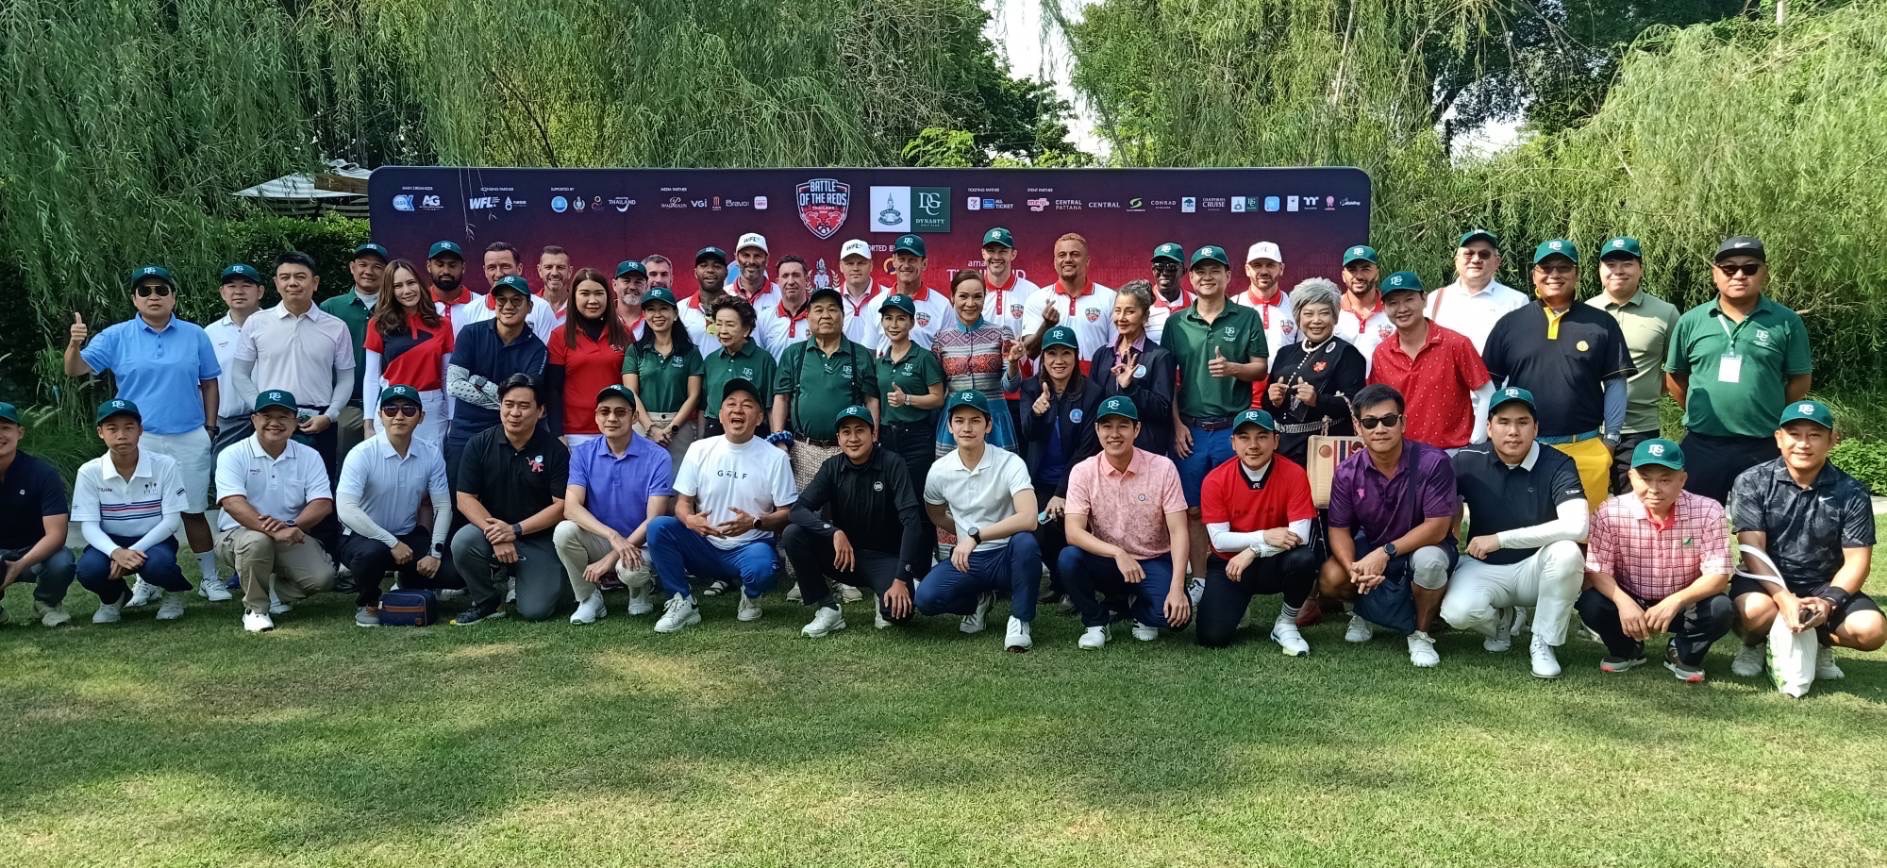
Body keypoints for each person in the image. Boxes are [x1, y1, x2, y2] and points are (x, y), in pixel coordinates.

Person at [63, 263, 225, 603]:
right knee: (147, 514)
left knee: (194, 510)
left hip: (189, 434)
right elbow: (75, 369)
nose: (154, 296)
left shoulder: (195, 334)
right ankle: (147, 581)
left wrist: (210, 428)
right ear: (134, 298)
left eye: (161, 290)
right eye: (145, 291)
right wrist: (75, 344)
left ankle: (210, 579)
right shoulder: (116, 335)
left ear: (173, 297)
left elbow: (209, 382)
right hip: (140, 439)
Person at [1725, 401, 1881, 686]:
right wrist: (1783, 598)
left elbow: (1858, 560)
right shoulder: (1752, 481)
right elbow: (1751, 548)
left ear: (1832, 440)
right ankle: (1755, 643)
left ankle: (1818, 641)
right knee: (1756, 611)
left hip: (1823, 584)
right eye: (1794, 434)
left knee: (1871, 631)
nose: (1803, 444)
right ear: (1778, 438)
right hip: (1765, 580)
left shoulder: (1852, 491)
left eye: (1815, 435)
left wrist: (1828, 602)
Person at [1438, 388, 1589, 679]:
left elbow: (1578, 526)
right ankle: (1499, 622)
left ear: (1536, 428)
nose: (1513, 431)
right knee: (1456, 613)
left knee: (1568, 552)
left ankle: (1542, 642)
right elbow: (1437, 505)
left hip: (1537, 568)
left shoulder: (1558, 463)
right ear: (1489, 427)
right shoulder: (1467, 460)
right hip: (1484, 567)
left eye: (1522, 422)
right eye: (1504, 422)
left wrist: (1501, 539)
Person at [1480, 240, 1634, 511]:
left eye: (1563, 268)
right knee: (1523, 528)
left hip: (1584, 448)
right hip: (1523, 449)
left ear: (1576, 274)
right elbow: (1488, 385)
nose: (1554, 275)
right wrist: (1491, 436)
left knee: (1585, 529)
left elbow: (1615, 384)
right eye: (1546, 268)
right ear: (1534, 275)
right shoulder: (1510, 324)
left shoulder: (1601, 324)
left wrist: (1610, 440)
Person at [1318, 384, 1459, 668]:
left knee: (1430, 563)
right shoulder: (1347, 471)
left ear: (1402, 422)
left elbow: (1437, 527)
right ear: (1357, 427)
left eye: (1389, 420)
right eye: (1370, 422)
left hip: (1425, 546)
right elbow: (1338, 529)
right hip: (1373, 546)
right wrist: (1354, 569)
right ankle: (1365, 612)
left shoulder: (1434, 462)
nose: (1380, 429)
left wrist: (1385, 553)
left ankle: (1420, 633)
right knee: (1332, 577)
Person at [1665, 235, 1813, 503]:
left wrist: (1771, 409)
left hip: (1763, 444)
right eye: (1729, 268)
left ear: (1764, 273)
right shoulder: (1691, 321)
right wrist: (1698, 410)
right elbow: (1675, 378)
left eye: (1750, 268)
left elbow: (1800, 379)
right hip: (1703, 444)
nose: (1739, 275)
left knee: (1767, 521)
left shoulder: (1786, 321)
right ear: (1715, 274)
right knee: (1695, 521)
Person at [645, 378, 798, 633]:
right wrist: (690, 520)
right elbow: (682, 503)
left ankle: (751, 594)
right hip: (704, 544)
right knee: (659, 527)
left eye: (747, 405)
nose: (738, 410)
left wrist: (755, 522)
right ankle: (682, 601)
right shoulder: (699, 449)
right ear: (721, 413)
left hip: (749, 547)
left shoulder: (775, 457)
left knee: (761, 569)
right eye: (731, 404)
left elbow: (788, 512)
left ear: (760, 417)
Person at [1577, 438, 1734, 682]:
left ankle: (1681, 650)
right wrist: (1623, 602)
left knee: (1720, 608)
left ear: (1682, 479)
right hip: (1631, 598)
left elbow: (1718, 575)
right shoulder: (1610, 511)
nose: (1654, 488)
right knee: (1591, 603)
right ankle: (1626, 648)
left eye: (1665, 479)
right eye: (1645, 478)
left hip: (1683, 602)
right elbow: (1598, 570)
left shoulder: (1708, 511)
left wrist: (1676, 600)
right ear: (1631, 477)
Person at [1162, 244, 1270, 593]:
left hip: (1232, 430)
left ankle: (1235, 580)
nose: (1207, 277)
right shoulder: (1177, 322)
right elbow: (1168, 380)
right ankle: (1199, 579)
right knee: (1193, 509)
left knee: (1235, 508)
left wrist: (1234, 368)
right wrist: (1176, 425)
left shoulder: (1246, 317)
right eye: (1200, 271)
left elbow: (1260, 368)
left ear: (1228, 275)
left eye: (1215, 270)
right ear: (1190, 278)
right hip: (1191, 430)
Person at [785, 404, 929, 637]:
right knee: (793, 534)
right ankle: (828, 609)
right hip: (845, 556)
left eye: (860, 430)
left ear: (873, 433)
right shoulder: (832, 467)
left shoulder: (893, 463)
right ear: (838, 438)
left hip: (884, 558)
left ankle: (887, 592)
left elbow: (912, 523)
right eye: (846, 432)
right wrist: (832, 532)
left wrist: (901, 578)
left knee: (898, 614)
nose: (853, 438)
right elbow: (797, 510)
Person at [1059, 396, 1191, 648]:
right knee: (1069, 558)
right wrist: (1117, 553)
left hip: (1152, 559)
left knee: (1174, 619)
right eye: (1107, 426)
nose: (1114, 434)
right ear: (1097, 429)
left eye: (1123, 426)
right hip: (1108, 560)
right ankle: (1096, 622)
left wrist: (1177, 587)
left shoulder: (1163, 468)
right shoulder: (1083, 471)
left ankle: (1139, 610)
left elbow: (1179, 531)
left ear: (1136, 429)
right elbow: (1073, 532)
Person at [916, 390, 1041, 652]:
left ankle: (1020, 620)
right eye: (959, 421)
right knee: (926, 599)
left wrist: (975, 536)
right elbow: (935, 513)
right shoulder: (939, 470)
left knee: (1026, 543)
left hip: (1007, 555)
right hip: (969, 560)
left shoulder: (1010, 462)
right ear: (950, 426)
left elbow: (1029, 518)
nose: (967, 428)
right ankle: (977, 603)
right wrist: (963, 535)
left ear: (988, 425)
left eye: (975, 420)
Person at [450, 375, 571, 625]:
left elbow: (561, 506)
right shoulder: (478, 444)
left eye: (524, 406)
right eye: (508, 404)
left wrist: (514, 530)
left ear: (540, 411)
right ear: (500, 406)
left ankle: (544, 579)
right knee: (463, 541)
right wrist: (497, 534)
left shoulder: (555, 451)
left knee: (536, 610)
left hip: (538, 537)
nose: (514, 413)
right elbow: (465, 498)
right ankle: (488, 601)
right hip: (491, 532)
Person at [1195, 408, 1320, 652]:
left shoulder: (1294, 473)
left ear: (1276, 441)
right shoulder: (1215, 479)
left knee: (1304, 559)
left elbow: (1301, 536)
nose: (1253, 445)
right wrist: (1265, 536)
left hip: (1274, 562)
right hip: (1231, 565)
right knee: (1211, 637)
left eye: (1262, 437)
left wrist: (1254, 550)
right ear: (1233, 443)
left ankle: (1286, 623)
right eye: (1244, 437)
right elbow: (1219, 541)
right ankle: (1238, 605)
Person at [214, 389, 336, 633]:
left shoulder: (309, 456)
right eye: (267, 416)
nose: (275, 423)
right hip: (238, 533)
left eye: (283, 417)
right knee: (257, 542)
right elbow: (232, 503)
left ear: (295, 421)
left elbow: (322, 503)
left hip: (289, 532)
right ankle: (255, 610)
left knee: (323, 578)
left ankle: (274, 593)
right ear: (254, 419)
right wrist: (272, 530)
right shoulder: (232, 454)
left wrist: (292, 526)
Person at [335, 385, 453, 627]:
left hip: (407, 536)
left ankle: (409, 583)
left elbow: (443, 506)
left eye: (408, 410)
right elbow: (345, 508)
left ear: (421, 417)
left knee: (453, 573)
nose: (399, 416)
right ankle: (368, 602)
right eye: (390, 409)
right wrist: (392, 542)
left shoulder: (431, 454)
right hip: (362, 537)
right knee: (372, 555)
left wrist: (434, 553)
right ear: (380, 415)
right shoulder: (361, 453)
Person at [231, 251, 354, 481]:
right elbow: (239, 373)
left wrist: (330, 415)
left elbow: (346, 378)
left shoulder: (336, 327)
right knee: (265, 486)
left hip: (318, 423)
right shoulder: (256, 323)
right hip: (270, 421)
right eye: (285, 277)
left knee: (318, 490)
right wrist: (260, 411)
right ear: (276, 283)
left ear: (314, 282)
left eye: (300, 276)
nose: (292, 283)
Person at [558, 385, 674, 625]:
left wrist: (612, 557)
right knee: (564, 531)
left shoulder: (658, 456)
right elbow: (571, 508)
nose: (611, 418)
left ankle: (639, 589)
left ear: (634, 417)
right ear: (596, 416)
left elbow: (654, 519)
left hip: (641, 544)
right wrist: (613, 537)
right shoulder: (582, 454)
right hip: (604, 538)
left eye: (620, 412)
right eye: (605, 411)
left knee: (631, 571)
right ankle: (589, 598)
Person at [70, 400, 192, 623]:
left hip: (155, 540)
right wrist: (115, 551)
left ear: (140, 430)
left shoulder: (164, 465)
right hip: (111, 539)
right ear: (100, 432)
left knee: (159, 565)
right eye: (112, 429)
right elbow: (89, 525)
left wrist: (132, 551)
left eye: (129, 427)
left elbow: (172, 521)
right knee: (88, 570)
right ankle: (114, 597)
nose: (121, 435)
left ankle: (174, 592)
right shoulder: (89, 471)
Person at [1587, 236, 1680, 494]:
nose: (1618, 271)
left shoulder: (1666, 313)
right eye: (1610, 264)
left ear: (1640, 269)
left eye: (1627, 264)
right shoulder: (1584, 312)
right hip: (1588, 429)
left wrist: (1648, 389)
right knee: (1588, 505)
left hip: (1640, 429)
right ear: (1600, 270)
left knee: (1636, 505)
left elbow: (1677, 371)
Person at [1367, 271, 1493, 452]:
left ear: (1424, 299)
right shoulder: (1382, 353)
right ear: (1384, 308)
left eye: (1409, 299)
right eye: (1393, 303)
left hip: (1451, 453)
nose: (1402, 309)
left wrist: (1477, 442)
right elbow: (1377, 405)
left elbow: (1487, 393)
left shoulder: (1456, 344)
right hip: (1401, 454)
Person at [1020, 325, 1101, 599]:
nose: (1058, 360)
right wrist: (1037, 414)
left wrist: (1062, 492)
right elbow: (1028, 434)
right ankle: (1059, 582)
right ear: (1042, 357)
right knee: (1038, 531)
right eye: (1051, 353)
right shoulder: (1031, 388)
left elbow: (1086, 449)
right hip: (1040, 480)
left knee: (1069, 528)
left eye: (1065, 353)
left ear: (1076, 356)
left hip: (1076, 481)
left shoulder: (1091, 392)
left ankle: (1075, 586)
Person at [771, 287, 880, 488]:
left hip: (848, 451)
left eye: (832, 309)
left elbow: (871, 400)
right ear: (808, 316)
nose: (826, 315)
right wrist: (779, 440)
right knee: (804, 506)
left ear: (842, 316)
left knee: (848, 505)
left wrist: (872, 440)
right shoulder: (794, 354)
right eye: (819, 310)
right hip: (803, 451)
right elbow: (782, 398)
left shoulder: (860, 355)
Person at [445, 275, 548, 485]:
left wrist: (479, 382)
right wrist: (506, 399)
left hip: (509, 435)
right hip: (465, 431)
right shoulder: (470, 334)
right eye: (501, 300)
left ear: (529, 307)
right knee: (458, 496)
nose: (508, 306)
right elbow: (454, 385)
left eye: (516, 300)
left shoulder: (538, 349)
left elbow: (524, 399)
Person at [1259, 278, 1367, 465]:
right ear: (1298, 318)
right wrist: (1273, 399)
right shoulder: (1285, 353)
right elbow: (1268, 406)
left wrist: (1317, 400)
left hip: (1324, 451)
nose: (1316, 320)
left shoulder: (1346, 353)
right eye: (1308, 314)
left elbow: (1357, 405)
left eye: (1324, 313)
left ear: (1335, 317)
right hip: (1282, 449)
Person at [875, 292, 946, 554]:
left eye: (901, 319)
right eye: (888, 318)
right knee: (890, 499)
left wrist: (907, 399)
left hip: (916, 438)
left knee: (917, 499)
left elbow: (938, 398)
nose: (894, 324)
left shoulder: (923, 357)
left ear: (912, 323)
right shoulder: (880, 360)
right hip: (887, 438)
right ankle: (896, 560)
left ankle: (922, 560)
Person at [0, 401, 77, 628]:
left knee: (62, 562)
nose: (0, 435)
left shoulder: (42, 473)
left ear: (20, 432)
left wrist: (20, 564)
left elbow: (56, 535)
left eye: (5, 428)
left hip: (36, 551)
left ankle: (46, 603)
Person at [362, 259, 453, 446]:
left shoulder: (442, 324)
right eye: (398, 286)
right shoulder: (377, 324)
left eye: (411, 283)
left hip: (432, 409)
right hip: (391, 406)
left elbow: (447, 375)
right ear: (390, 290)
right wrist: (368, 423)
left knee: (431, 463)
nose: (407, 290)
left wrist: (452, 418)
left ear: (420, 283)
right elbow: (371, 377)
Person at [934, 270, 1020, 455]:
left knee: (998, 471)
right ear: (952, 297)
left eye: (977, 297)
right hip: (955, 423)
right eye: (963, 296)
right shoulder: (941, 340)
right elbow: (936, 390)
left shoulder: (1001, 334)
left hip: (994, 420)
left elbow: (1011, 387)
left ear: (984, 298)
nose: (970, 303)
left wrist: (1013, 363)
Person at [544, 267, 631, 446]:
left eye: (599, 293)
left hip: (617, 428)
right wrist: (557, 433)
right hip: (574, 433)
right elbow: (553, 389)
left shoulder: (623, 333)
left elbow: (634, 385)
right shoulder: (559, 336)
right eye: (585, 293)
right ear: (573, 297)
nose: (592, 300)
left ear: (608, 296)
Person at [1090, 280, 1177, 456]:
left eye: (1130, 312)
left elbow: (1162, 410)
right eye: (1117, 311)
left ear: (1145, 316)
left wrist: (1130, 388)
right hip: (1107, 450)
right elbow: (1092, 405)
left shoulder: (1159, 356)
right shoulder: (1102, 354)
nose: (1121, 318)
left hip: (1145, 452)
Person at [319, 241, 389, 460]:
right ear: (352, 267)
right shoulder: (331, 308)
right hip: (344, 406)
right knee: (344, 465)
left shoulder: (394, 308)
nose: (369, 271)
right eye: (363, 264)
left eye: (377, 266)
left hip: (386, 405)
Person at [622, 286, 704, 469]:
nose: (657, 315)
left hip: (679, 426)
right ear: (644, 315)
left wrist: (671, 429)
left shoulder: (690, 352)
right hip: (642, 424)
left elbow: (694, 395)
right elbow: (630, 392)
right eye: (651, 310)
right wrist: (651, 428)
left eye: (664, 309)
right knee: (641, 478)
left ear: (675, 314)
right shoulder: (635, 351)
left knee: (679, 481)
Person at [1424, 228, 1528, 355]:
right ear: (1456, 261)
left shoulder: (1517, 302)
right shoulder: (1435, 300)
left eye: (1484, 254)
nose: (1476, 259)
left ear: (1497, 262)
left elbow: (1524, 350)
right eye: (1469, 254)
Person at [1021, 233, 1115, 367]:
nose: (1068, 259)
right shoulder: (1037, 299)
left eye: (1075, 254)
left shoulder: (1109, 298)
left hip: (1095, 379)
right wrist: (1046, 326)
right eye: (1062, 255)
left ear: (1087, 261)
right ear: (1055, 262)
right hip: (1051, 379)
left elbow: (1116, 349)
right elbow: (1030, 352)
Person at [207, 263, 266, 458]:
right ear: (222, 293)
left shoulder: (276, 326)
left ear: (260, 291)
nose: (238, 292)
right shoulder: (209, 334)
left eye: (246, 285)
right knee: (221, 471)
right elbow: (203, 384)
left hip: (270, 419)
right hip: (227, 422)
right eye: (231, 286)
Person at [701, 297, 775, 438]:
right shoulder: (711, 360)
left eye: (730, 325)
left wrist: (775, 438)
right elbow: (703, 407)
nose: (723, 331)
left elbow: (771, 406)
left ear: (746, 329)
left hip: (752, 432)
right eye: (718, 324)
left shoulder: (764, 360)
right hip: (715, 430)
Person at [864, 234, 951, 351]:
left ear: (924, 263)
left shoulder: (942, 305)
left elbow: (949, 354)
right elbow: (869, 351)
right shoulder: (876, 304)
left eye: (912, 260)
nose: (906, 265)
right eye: (901, 259)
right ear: (894, 261)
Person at [457, 242, 559, 339]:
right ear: (485, 271)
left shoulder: (541, 308)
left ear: (519, 269)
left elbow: (548, 350)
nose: (499, 274)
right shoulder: (470, 311)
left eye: (505, 266)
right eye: (492, 267)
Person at [1235, 241, 1295, 366]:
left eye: (1270, 265)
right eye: (1257, 265)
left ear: (1281, 268)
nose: (1264, 271)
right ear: (1247, 270)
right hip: (1243, 378)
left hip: (1284, 378)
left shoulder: (1295, 306)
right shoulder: (1232, 305)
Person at [1334, 245, 1394, 365]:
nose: (1359, 276)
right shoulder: (1332, 309)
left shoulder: (1394, 310)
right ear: (1343, 276)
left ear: (1377, 274)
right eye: (1352, 270)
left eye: (1365, 269)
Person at [756, 255, 812, 361]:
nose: (790, 282)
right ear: (778, 281)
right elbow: (759, 360)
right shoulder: (764, 318)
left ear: (807, 279)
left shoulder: (818, 318)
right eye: (785, 276)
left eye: (796, 275)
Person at [679, 246, 731, 355]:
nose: (710, 270)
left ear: (726, 272)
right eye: (703, 265)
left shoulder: (739, 308)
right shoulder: (680, 309)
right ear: (695, 273)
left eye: (717, 266)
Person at [426, 241, 475, 339]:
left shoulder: (479, 304)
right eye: (440, 265)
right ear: (429, 266)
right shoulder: (419, 303)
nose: (446, 271)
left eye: (452, 265)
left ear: (463, 267)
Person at [835, 239, 881, 347]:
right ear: (841, 266)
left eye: (861, 263)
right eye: (850, 263)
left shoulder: (887, 297)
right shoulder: (831, 298)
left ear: (871, 265)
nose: (855, 268)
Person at [1146, 242, 1191, 343]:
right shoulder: (1142, 303)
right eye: (1159, 267)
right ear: (1153, 270)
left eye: (1172, 267)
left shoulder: (1196, 304)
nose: (1165, 272)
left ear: (1184, 271)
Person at [728, 232, 782, 311]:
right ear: (736, 258)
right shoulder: (724, 295)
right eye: (746, 255)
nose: (751, 261)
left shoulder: (781, 295)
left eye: (757, 256)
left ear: (767, 259)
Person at [535, 245, 574, 321]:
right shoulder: (527, 305)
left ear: (570, 271)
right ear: (539, 270)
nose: (554, 273)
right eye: (548, 267)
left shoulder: (580, 305)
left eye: (560, 267)